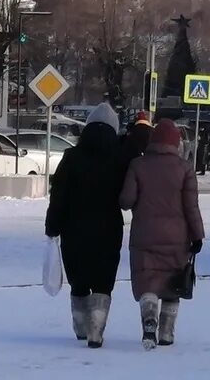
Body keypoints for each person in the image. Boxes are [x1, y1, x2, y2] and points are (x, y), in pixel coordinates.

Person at [45, 103, 130, 348]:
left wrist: (53, 225)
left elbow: (58, 195)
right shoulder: (120, 158)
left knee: (79, 279)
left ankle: (81, 326)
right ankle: (96, 332)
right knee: (103, 280)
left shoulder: (71, 157)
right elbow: (127, 195)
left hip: (74, 229)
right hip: (108, 229)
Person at [120, 118, 205, 350]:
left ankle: (149, 319)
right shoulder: (185, 168)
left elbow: (126, 201)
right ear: (176, 143)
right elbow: (191, 207)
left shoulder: (138, 165)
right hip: (178, 238)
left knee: (148, 281)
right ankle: (166, 332)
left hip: (144, 235)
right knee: (172, 284)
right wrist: (198, 235)